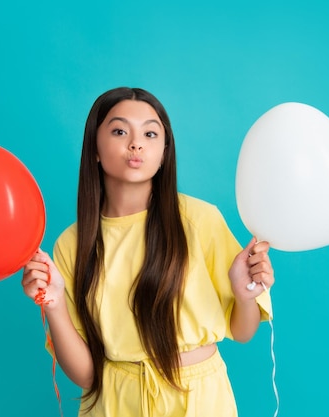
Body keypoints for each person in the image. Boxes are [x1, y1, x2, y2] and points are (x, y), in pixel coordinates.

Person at [22, 87, 275, 417]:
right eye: (119, 130)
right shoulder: (72, 244)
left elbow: (243, 332)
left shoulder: (200, 220)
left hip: (197, 400)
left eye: (151, 133)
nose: (136, 144)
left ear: (164, 152)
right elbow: (85, 375)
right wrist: (53, 304)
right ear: (95, 148)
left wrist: (244, 296)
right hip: (112, 402)